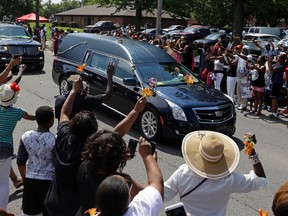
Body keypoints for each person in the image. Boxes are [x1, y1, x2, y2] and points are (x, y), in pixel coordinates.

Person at [45, 76, 147, 216]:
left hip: (52, 202)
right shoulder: (90, 149)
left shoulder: (63, 137)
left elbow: (64, 112)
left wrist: (74, 91)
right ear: (93, 131)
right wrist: (135, 111)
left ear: (72, 125)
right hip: (72, 209)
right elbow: (116, 133)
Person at [164, 130, 267, 216]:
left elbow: (162, 195)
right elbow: (260, 180)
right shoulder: (229, 179)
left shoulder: (183, 173)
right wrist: (251, 150)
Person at [76, 130, 143, 216]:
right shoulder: (121, 181)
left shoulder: (84, 166)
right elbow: (145, 194)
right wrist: (148, 158)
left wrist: (116, 159)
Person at [94, 136, 163, 216]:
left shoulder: (84, 169)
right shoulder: (139, 211)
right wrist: (148, 156)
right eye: (128, 185)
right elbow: (156, 183)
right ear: (128, 199)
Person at [0, 83, 36, 210]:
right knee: (3, 182)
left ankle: (15, 179)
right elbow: (33, 117)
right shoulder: (17, 112)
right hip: (5, 148)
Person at [16, 106, 55, 216]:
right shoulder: (55, 139)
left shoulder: (26, 136)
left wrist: (25, 179)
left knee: (30, 213)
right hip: (49, 182)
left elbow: (20, 162)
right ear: (51, 121)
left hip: (30, 180)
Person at [267, 52, 287, 118]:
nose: (277, 58)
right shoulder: (279, 63)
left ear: (282, 59)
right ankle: (275, 112)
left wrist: (269, 61)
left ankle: (274, 113)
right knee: (274, 98)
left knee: (274, 98)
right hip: (275, 82)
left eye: (279, 57)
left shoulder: (282, 66)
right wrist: (270, 60)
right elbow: (272, 64)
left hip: (277, 82)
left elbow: (271, 69)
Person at [235, 45, 252, 110]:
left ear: (247, 50)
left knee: (244, 90)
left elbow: (245, 58)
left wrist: (238, 54)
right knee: (238, 90)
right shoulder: (240, 56)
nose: (242, 50)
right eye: (242, 49)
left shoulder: (249, 56)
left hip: (245, 76)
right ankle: (239, 103)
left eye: (244, 49)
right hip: (239, 75)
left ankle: (244, 104)